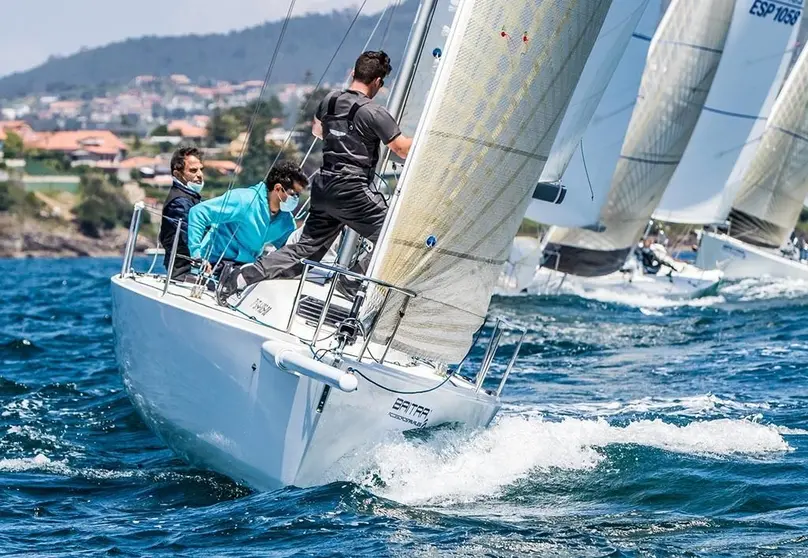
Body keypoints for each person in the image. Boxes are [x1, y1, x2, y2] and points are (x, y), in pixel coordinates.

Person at [216, 50, 413, 301]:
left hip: (324, 186)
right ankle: (352, 280)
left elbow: (319, 131)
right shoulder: (375, 113)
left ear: (353, 73)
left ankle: (241, 276)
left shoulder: (328, 101)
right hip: (353, 189)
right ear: (378, 82)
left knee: (305, 250)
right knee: (396, 237)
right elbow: (401, 149)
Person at [186, 161, 309, 272]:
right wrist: (197, 256)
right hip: (211, 268)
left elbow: (291, 251)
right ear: (278, 188)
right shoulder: (244, 200)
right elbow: (198, 213)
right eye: (294, 194)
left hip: (242, 273)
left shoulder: (286, 222)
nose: (296, 199)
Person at [160, 146, 205, 279]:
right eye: (193, 170)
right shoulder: (179, 202)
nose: (200, 175)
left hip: (193, 267)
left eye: (201, 169)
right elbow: (190, 236)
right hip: (184, 270)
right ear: (177, 174)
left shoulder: (190, 197)